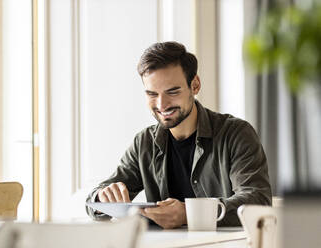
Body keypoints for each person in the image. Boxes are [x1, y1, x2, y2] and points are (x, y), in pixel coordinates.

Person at [85, 41, 272, 228]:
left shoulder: (236, 134)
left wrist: (190, 214)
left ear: (195, 85)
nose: (161, 104)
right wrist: (103, 197)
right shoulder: (144, 143)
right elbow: (93, 201)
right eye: (152, 94)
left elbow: (257, 201)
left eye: (172, 92)